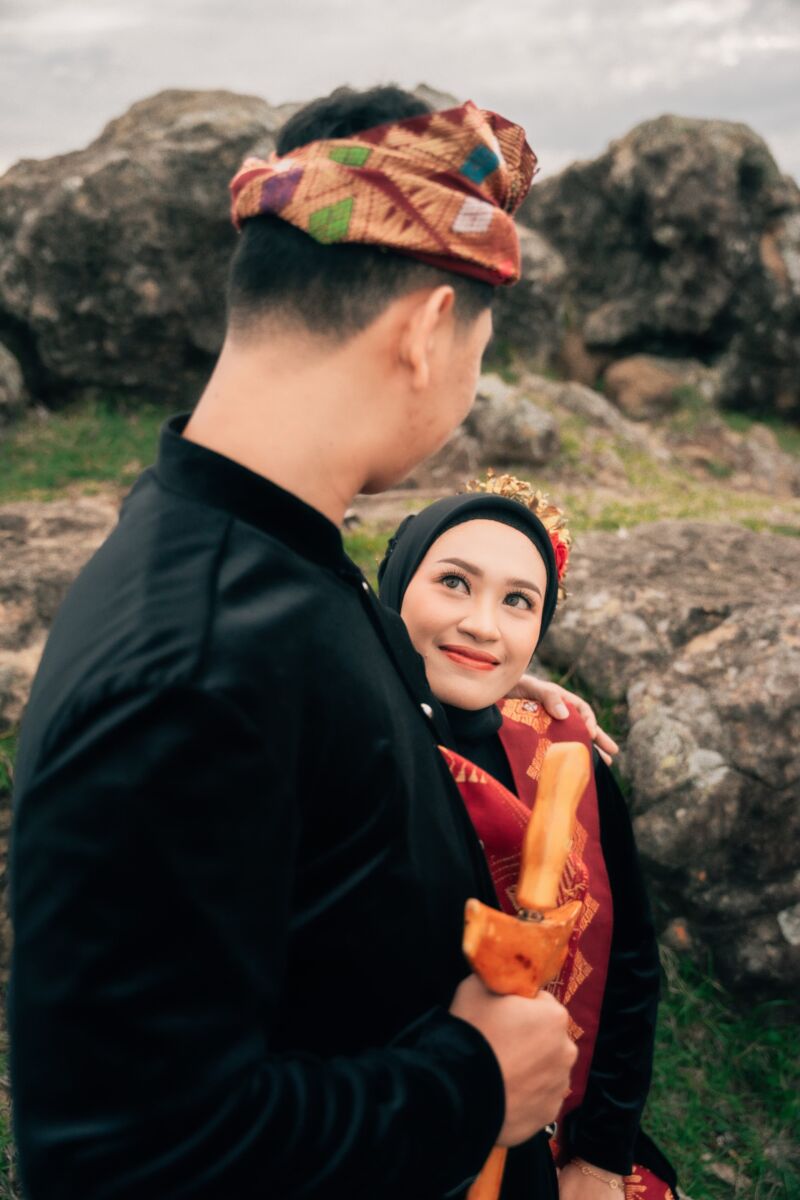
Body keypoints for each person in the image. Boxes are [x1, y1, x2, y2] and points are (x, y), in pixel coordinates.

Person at [10, 86, 584, 1199]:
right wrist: (470, 1082)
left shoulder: (266, 551)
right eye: (480, 348)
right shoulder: (192, 670)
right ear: (426, 330)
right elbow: (121, 1160)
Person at [377, 474, 679, 1200]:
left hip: (556, 1138)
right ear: (393, 589)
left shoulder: (566, 757)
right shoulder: (346, 754)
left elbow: (630, 965)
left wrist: (600, 1156)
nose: (484, 625)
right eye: (454, 582)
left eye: (518, 601)